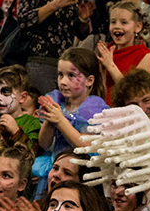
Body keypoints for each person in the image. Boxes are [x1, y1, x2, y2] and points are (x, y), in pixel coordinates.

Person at [34, 48, 107, 197]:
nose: (63, 82)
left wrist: (60, 119)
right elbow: (44, 143)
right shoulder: (57, 101)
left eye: (71, 76)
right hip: (57, 168)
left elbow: (84, 146)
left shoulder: (94, 108)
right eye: (60, 75)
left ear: (89, 81)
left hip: (80, 175)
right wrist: (50, 118)